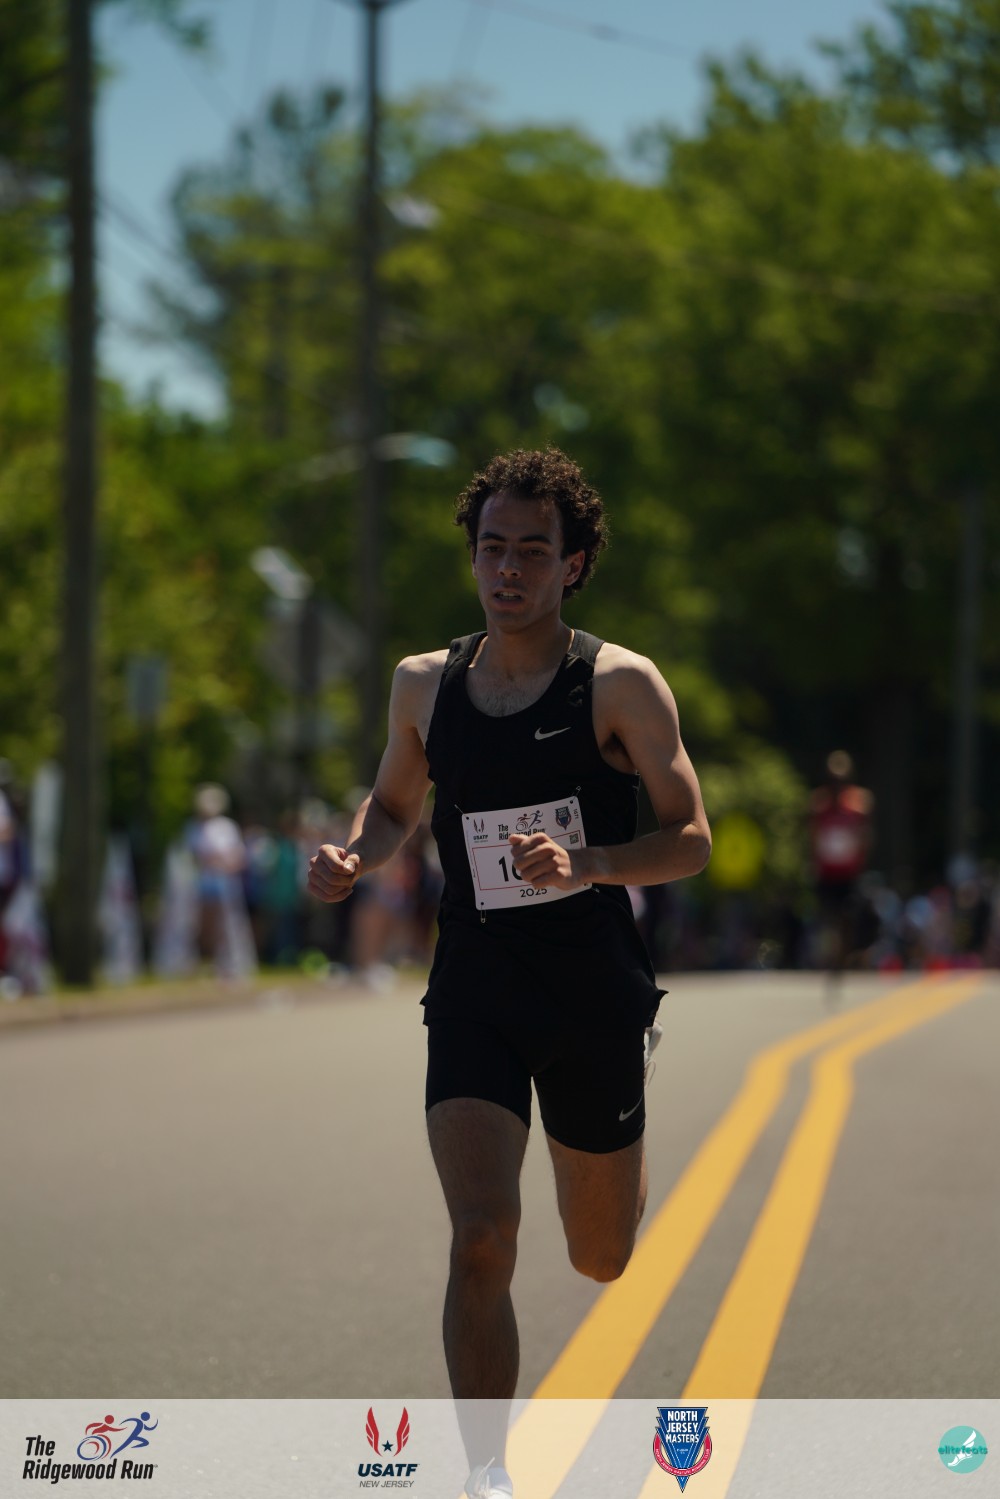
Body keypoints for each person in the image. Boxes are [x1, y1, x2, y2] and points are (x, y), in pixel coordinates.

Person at [308, 448, 711, 1499]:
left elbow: (691, 837)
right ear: (473, 555)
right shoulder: (423, 683)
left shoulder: (619, 683)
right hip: (478, 984)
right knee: (482, 1236)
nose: (509, 569)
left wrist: (589, 863)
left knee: (600, 1256)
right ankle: (486, 1468)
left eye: (534, 550)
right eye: (493, 547)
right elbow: (395, 804)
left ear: (572, 564)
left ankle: (621, 1138)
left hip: (590, 989)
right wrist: (356, 853)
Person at [808, 750, 875, 985]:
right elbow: (813, 837)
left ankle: (843, 957)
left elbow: (865, 836)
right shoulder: (818, 805)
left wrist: (862, 862)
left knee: (849, 917)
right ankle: (829, 957)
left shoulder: (859, 805)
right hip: (827, 873)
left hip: (849, 874)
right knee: (828, 918)